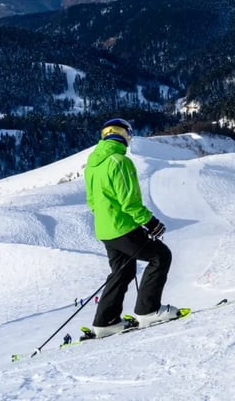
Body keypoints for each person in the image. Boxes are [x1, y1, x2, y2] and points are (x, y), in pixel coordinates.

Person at [85, 118, 180, 337]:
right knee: (160, 256)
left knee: (123, 271)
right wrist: (151, 222)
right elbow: (129, 201)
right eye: (129, 133)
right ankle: (148, 310)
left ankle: (104, 322)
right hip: (123, 226)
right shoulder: (119, 161)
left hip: (105, 229)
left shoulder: (93, 164)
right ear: (122, 134)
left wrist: (108, 217)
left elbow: (91, 201)